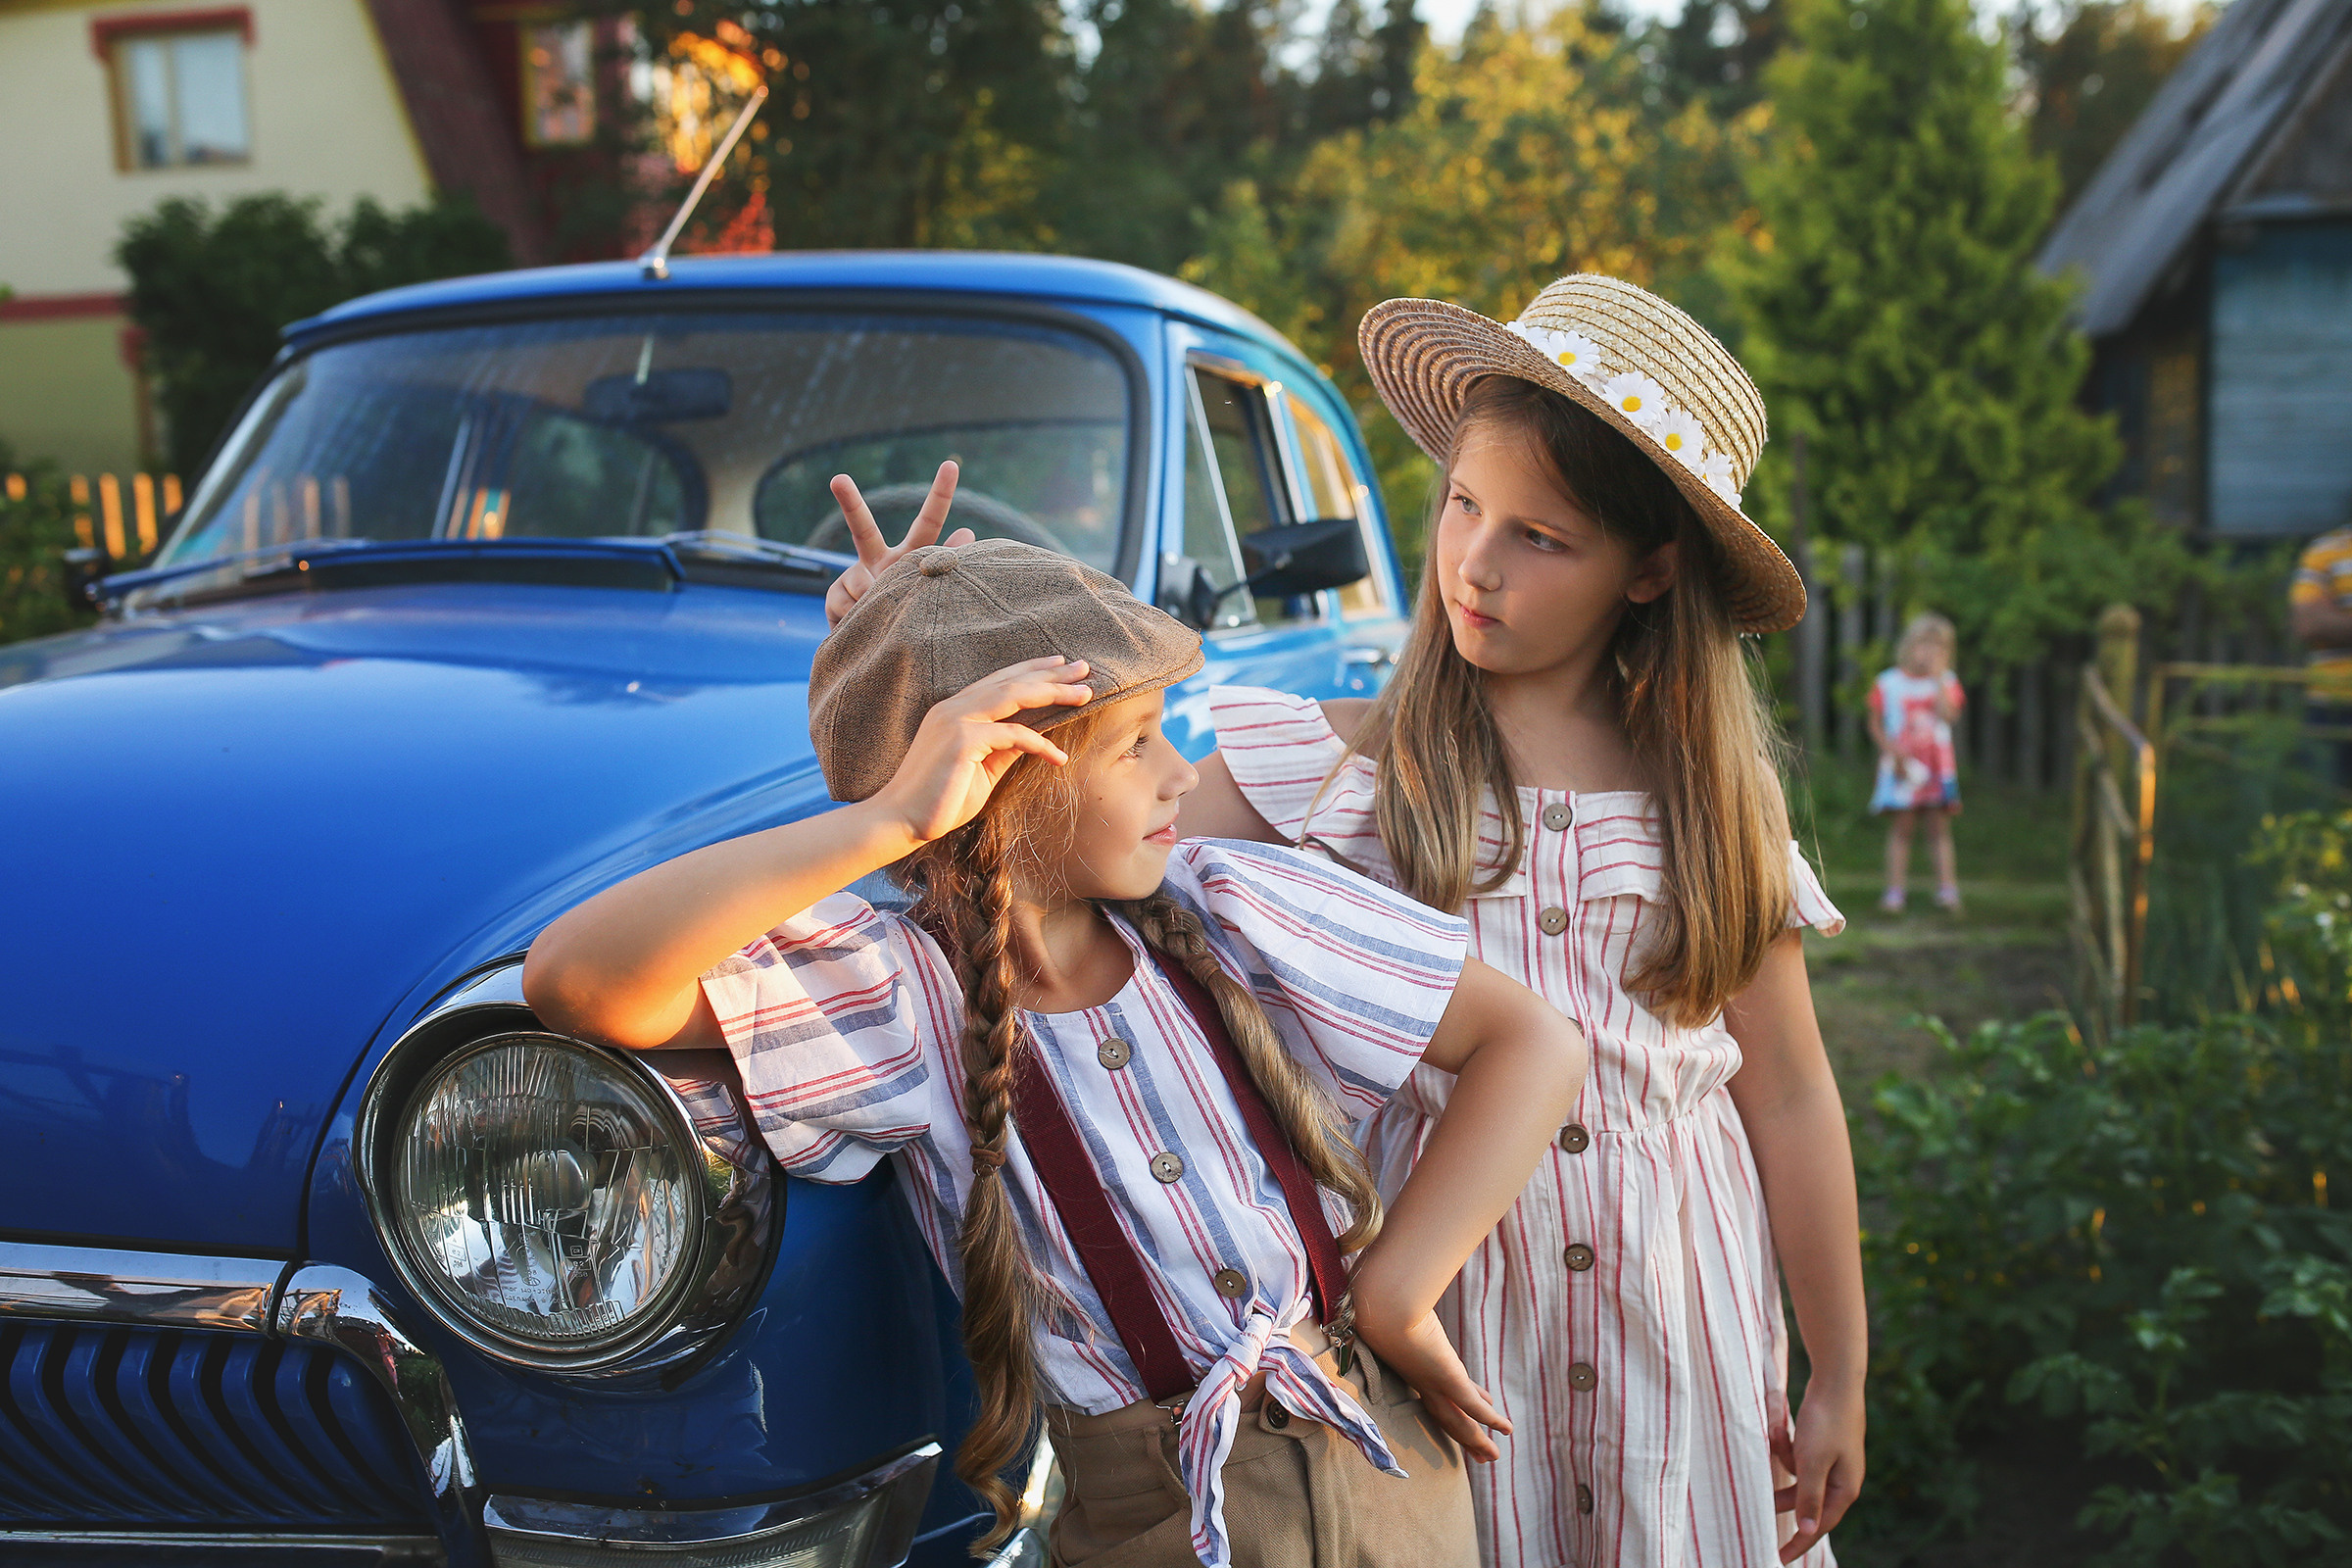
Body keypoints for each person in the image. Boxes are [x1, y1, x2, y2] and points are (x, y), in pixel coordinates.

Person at [523, 539, 1589, 1568]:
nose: (1181, 774)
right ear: (996, 776)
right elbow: (576, 979)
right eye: (1137, 743)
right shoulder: (902, 998)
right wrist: (891, 817)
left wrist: (1397, 1291)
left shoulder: (1229, 907)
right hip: (1147, 1511)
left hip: (1379, 1465)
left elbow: (1532, 1041)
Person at [1866, 612, 1965, 913]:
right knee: (1901, 829)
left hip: (1936, 769)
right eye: (1924, 646)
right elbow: (1875, 723)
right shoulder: (1887, 683)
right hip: (1902, 768)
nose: (1930, 653)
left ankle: (1947, 891)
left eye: (1939, 648)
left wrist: (1938, 680)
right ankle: (1895, 892)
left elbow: (1949, 715)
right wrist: (1890, 751)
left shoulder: (1947, 683)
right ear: (1909, 646)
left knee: (1939, 830)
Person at [2289, 518, 2352, 788]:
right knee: (2328, 805)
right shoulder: (2326, 550)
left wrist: (2337, 620)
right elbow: (2308, 623)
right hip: (2334, 708)